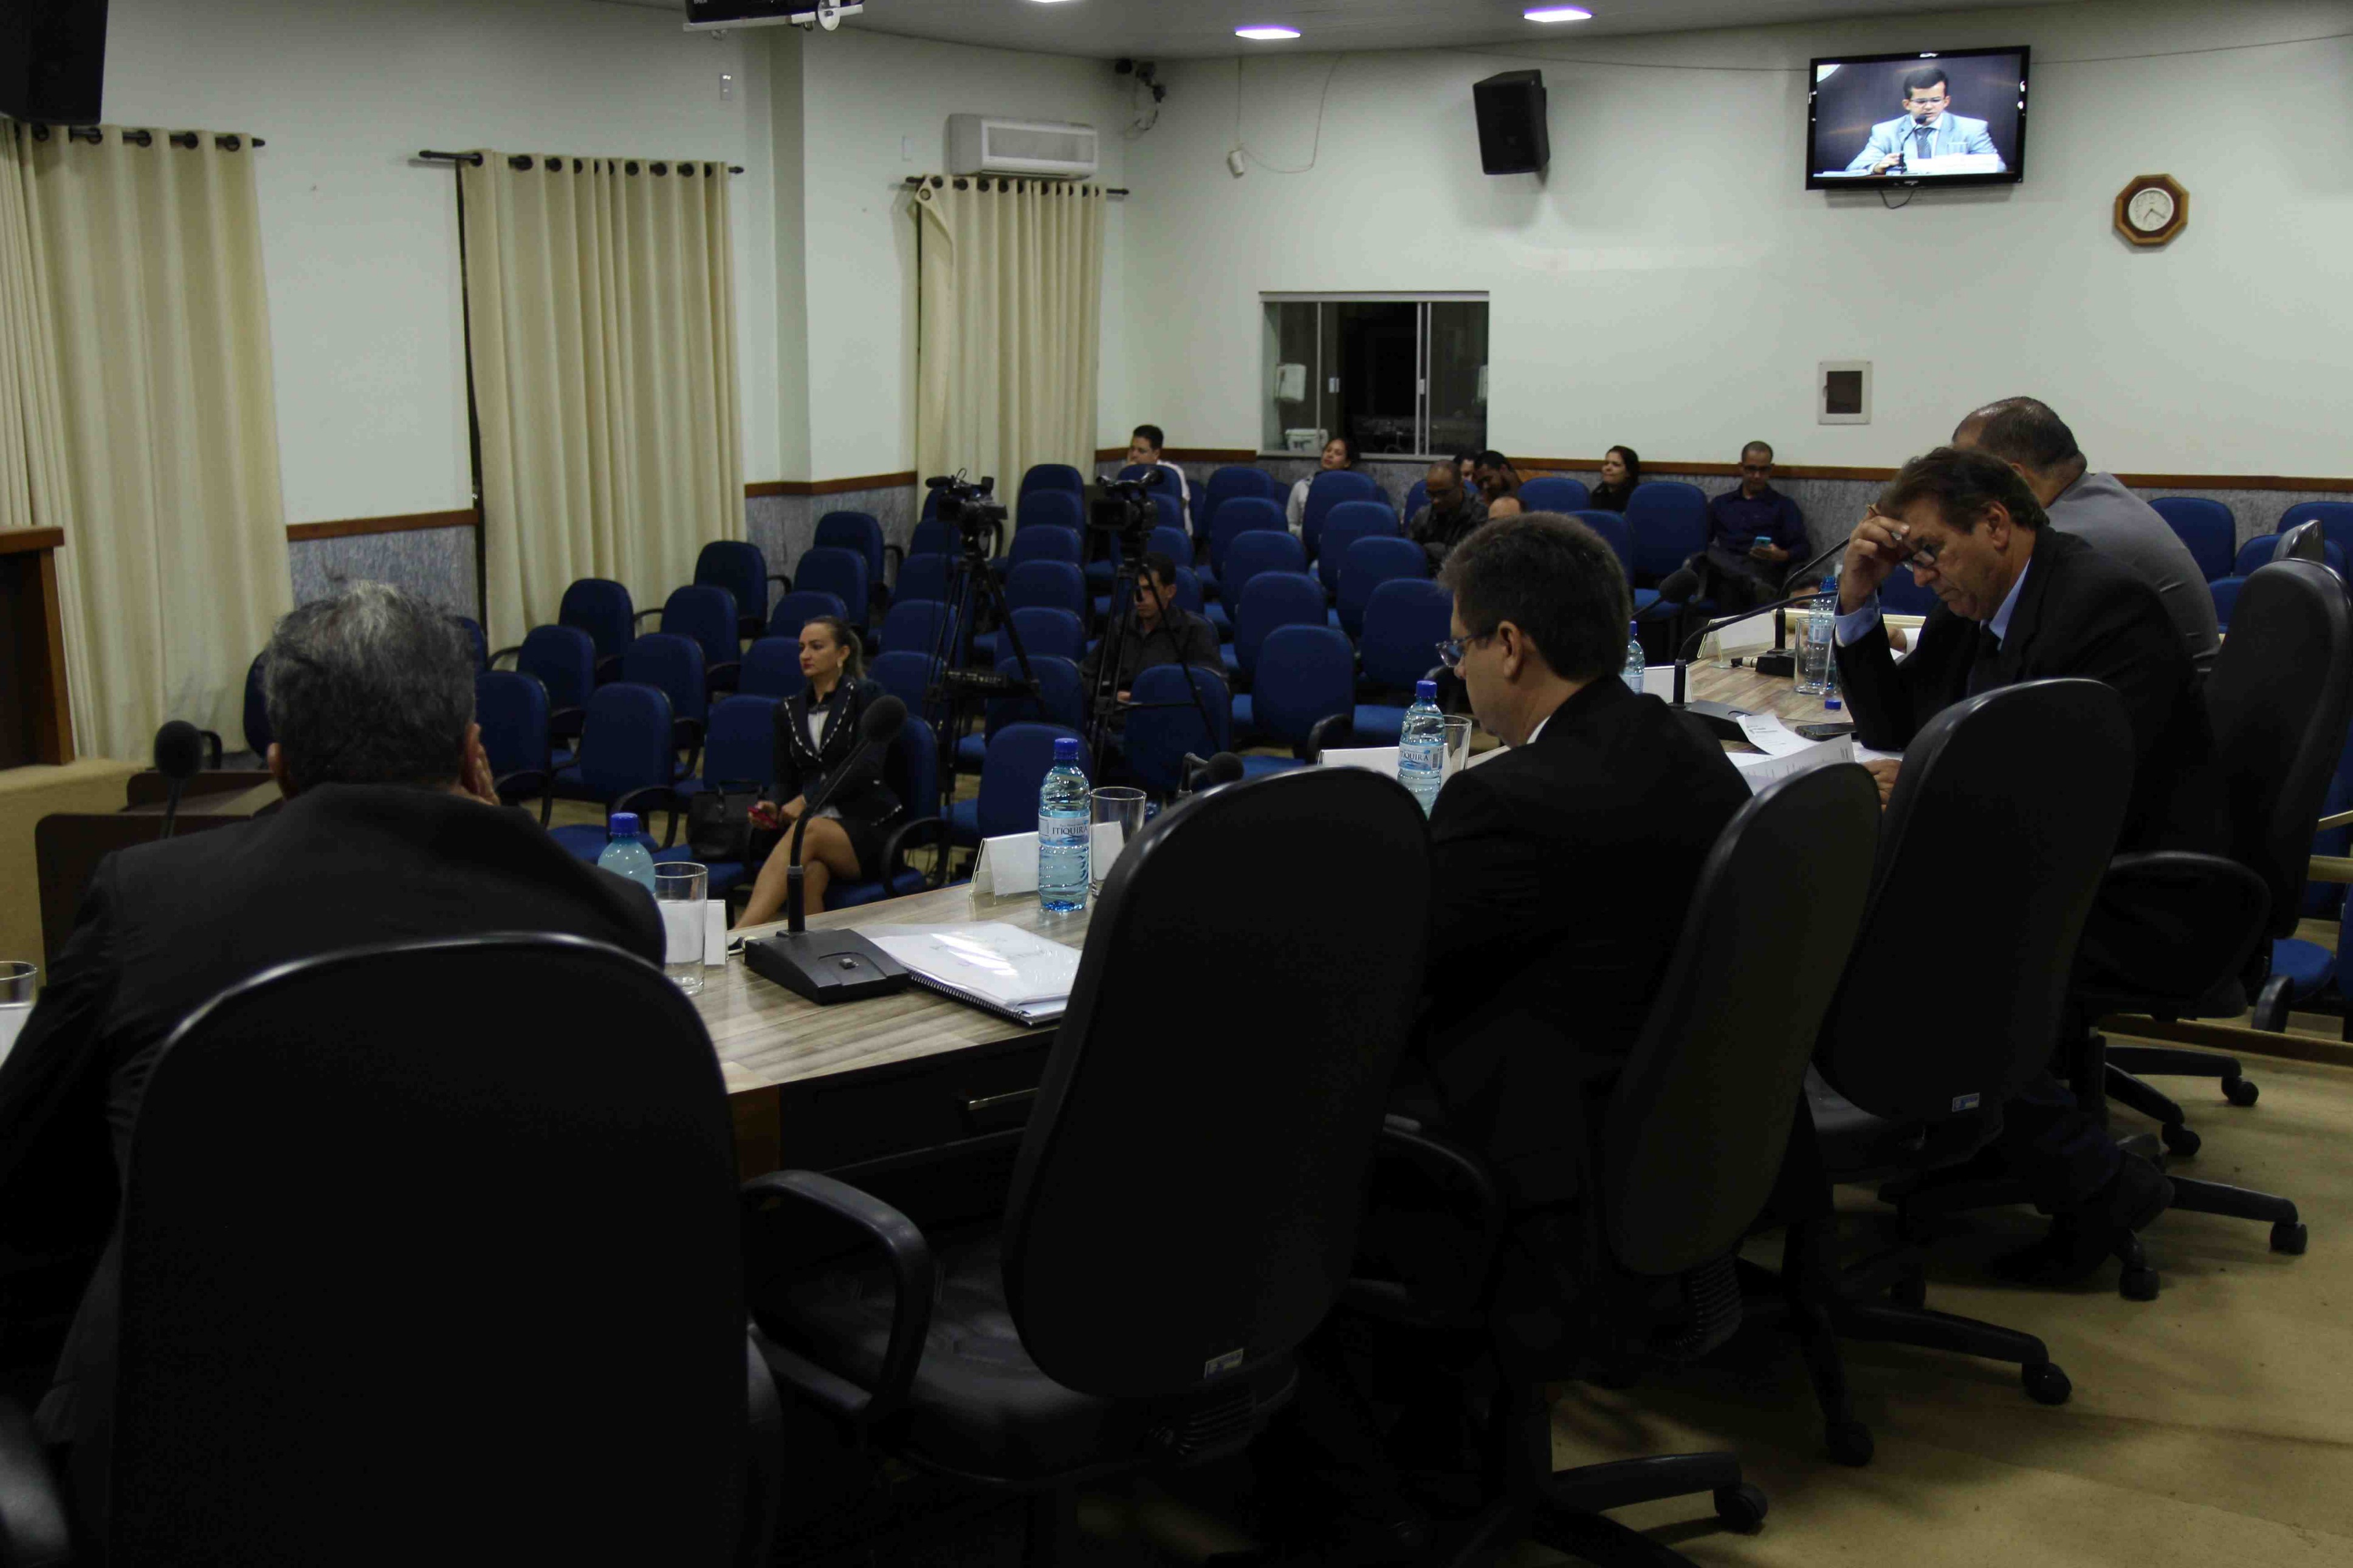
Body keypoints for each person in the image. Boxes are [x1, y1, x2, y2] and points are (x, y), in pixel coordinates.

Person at [0, 582, 665, 1491]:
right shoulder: (614, 915)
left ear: (279, 769)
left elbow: (18, 1159)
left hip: (208, 1475)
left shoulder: (147, 898)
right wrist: (505, 829)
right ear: (472, 753)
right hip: (543, 1449)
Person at [1835, 447, 2210, 1281]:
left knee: (1904, 939)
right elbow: (1895, 724)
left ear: (1996, 525)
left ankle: (2094, 1180)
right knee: (1888, 908)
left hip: (2141, 887)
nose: (1921, 575)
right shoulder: (1978, 599)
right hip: (2050, 863)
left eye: (1930, 551)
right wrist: (1856, 604)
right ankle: (1984, 1134)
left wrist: (1928, 789)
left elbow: (2090, 790)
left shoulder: (2101, 606)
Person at [1412, 512, 1751, 1206]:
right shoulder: (1687, 741)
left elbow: (1403, 970)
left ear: (1510, 646)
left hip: (1545, 1158)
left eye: (1460, 648)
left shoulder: (1500, 802)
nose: (1458, 669)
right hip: (1690, 1127)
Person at [1952, 396, 2221, 674]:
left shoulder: (2069, 540)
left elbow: (2006, 662)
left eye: (1963, 478)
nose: (1956, 495)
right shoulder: (2098, 496)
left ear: (2014, 478)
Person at [736, 616, 902, 927]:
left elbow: (865, 767)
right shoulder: (788, 709)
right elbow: (785, 776)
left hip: (867, 826)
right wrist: (775, 804)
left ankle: (738, 934)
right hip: (816, 827)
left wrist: (807, 800)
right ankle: (815, 948)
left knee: (807, 830)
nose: (805, 655)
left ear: (842, 653)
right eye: (801, 648)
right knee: (811, 874)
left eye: (816, 647)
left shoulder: (867, 696)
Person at [1080, 551, 1221, 708]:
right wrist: (1109, 697)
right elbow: (1085, 676)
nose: (1140, 598)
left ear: (1170, 592)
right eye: (1137, 589)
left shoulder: (1194, 630)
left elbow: (1214, 688)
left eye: (1149, 589)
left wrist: (1147, 697)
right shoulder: (1121, 626)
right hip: (1119, 713)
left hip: (1166, 715)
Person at [1701, 441, 1808, 610]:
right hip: (1727, 570)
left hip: (1763, 570)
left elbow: (1803, 548)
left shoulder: (1784, 506)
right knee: (1706, 550)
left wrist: (1782, 555)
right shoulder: (1721, 504)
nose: (1757, 476)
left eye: (1763, 470)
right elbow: (1702, 542)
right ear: (1741, 468)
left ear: (1771, 469)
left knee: (1732, 586)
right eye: (1751, 469)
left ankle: (1749, 581)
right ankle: (1749, 581)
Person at [1844, 65, 2004, 176]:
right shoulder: (1886, 131)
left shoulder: (1972, 129)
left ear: (1946, 101)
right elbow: (1854, 168)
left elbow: (1999, 167)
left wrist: (1962, 164)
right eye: (1921, 102)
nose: (1928, 107)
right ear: (1907, 104)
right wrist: (1877, 167)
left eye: (1935, 100)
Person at [1406, 460, 1488, 570]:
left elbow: (1474, 557)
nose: (1436, 501)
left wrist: (1431, 550)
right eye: (1431, 494)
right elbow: (1409, 553)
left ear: (1461, 486)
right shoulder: (1423, 515)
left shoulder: (1480, 513)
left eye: (1443, 493)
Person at [1286, 433, 1361, 533]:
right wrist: (1304, 533)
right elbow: (1289, 524)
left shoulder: (1353, 490)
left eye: (1337, 453)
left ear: (1347, 462)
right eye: (1328, 450)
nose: (1330, 455)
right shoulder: (1301, 486)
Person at [1119, 423, 1190, 507]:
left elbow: (1179, 505)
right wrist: (1126, 476)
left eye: (1141, 451)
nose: (1134, 455)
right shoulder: (1127, 471)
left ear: (1156, 454)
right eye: (1132, 449)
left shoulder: (1173, 472)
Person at [1585, 445, 1641, 512]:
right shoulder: (1597, 495)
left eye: (1616, 465)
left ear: (1628, 472)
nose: (1608, 468)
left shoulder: (1637, 498)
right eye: (1606, 463)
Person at [1472, 450, 1524, 519]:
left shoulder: (1529, 495)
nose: (1485, 486)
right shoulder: (1485, 499)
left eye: (1488, 479)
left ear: (1503, 469)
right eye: (1481, 482)